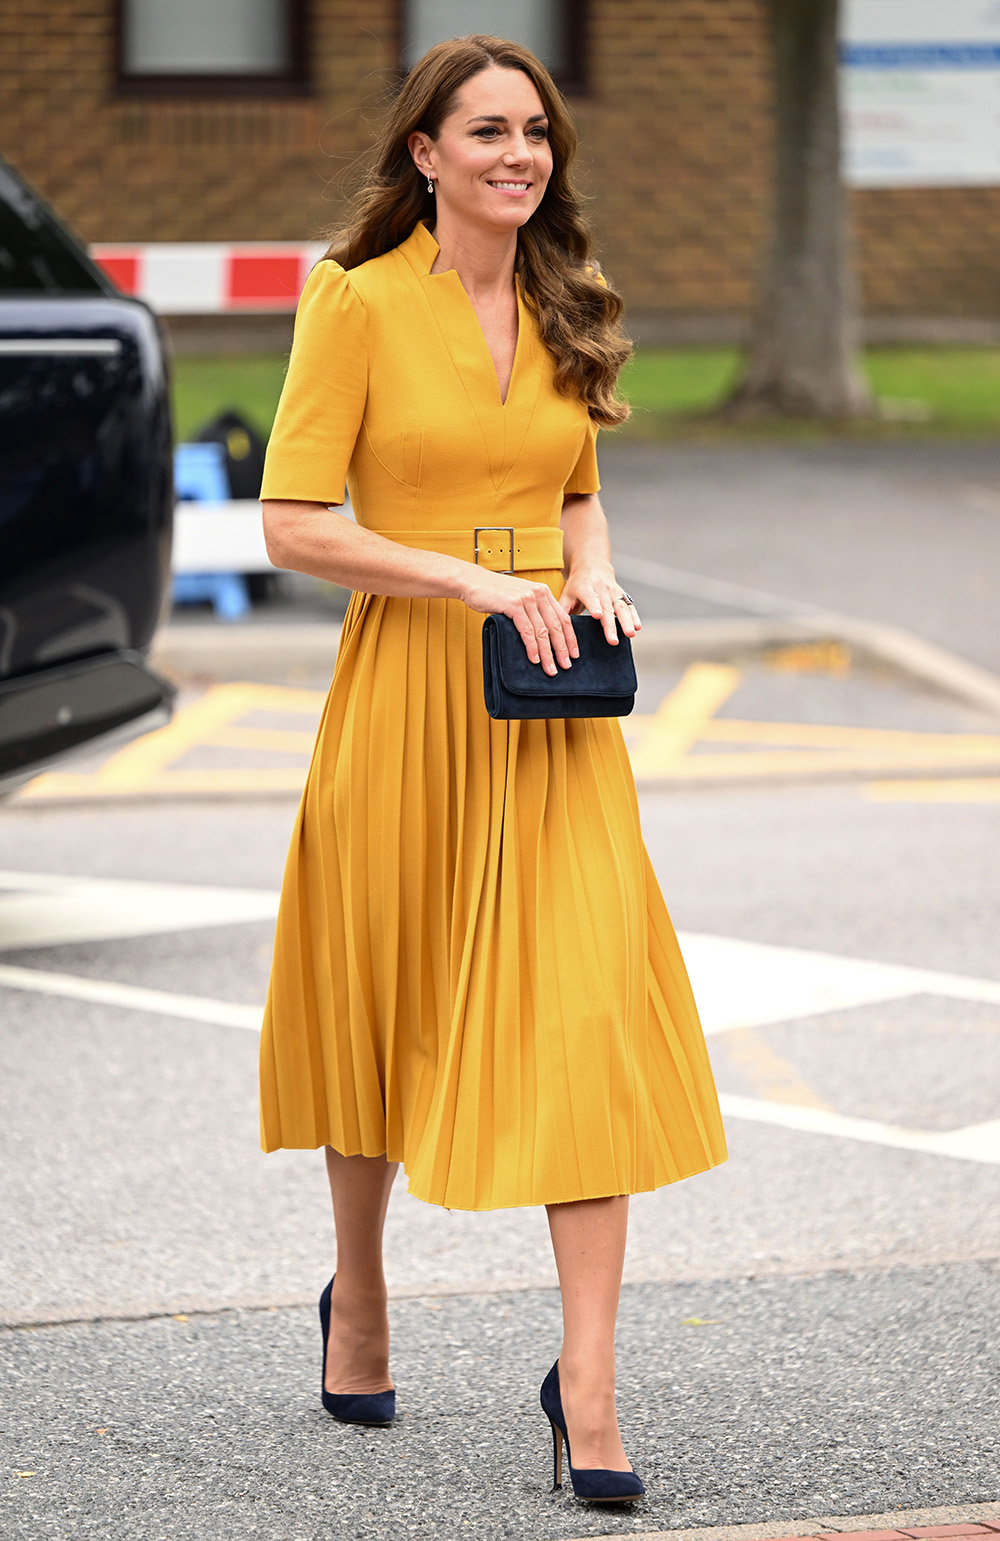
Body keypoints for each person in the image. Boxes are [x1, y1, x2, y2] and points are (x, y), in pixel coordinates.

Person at [258, 33, 727, 1503]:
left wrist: (594, 578)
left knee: (584, 1018)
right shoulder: (354, 304)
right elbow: (293, 519)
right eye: (488, 132)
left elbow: (578, 489)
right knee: (379, 992)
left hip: (551, 708)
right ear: (426, 152)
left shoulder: (570, 296)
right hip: (410, 689)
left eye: (536, 132)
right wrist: (472, 581)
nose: (520, 154)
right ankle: (360, 1292)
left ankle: (585, 1385)